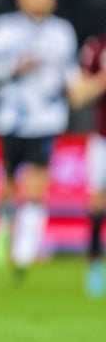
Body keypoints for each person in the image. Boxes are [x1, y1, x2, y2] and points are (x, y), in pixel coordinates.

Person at [0, 0, 106, 280]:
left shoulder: (62, 32)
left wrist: (87, 88)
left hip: (46, 118)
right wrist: (13, 67)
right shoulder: (4, 29)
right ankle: (1, 231)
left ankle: (25, 252)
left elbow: (71, 76)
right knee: (6, 184)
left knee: (37, 185)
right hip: (10, 118)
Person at [77, 31, 106, 297]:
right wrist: (101, 81)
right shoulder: (97, 47)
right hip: (103, 139)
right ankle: (96, 265)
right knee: (98, 202)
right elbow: (78, 95)